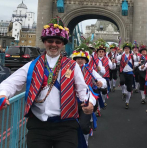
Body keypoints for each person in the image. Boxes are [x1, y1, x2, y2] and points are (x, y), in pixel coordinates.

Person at [0, 17, 95, 148]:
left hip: (66, 126)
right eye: (50, 41)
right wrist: (3, 94)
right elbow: (10, 83)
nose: (54, 44)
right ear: (45, 42)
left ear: (63, 44)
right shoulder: (31, 66)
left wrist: (89, 103)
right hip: (38, 126)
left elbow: (83, 90)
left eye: (58, 41)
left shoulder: (73, 66)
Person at [72, 48, 107, 147]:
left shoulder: (90, 70)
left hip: (86, 101)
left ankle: (85, 144)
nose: (79, 60)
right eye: (77, 58)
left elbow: (102, 80)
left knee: (83, 126)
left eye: (82, 58)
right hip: (71, 102)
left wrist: (101, 83)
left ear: (86, 60)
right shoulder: (69, 71)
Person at [89, 44, 114, 108]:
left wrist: (113, 63)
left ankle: (103, 101)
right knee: (97, 94)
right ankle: (98, 108)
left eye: (102, 52)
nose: (101, 53)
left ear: (104, 53)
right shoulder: (92, 59)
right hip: (94, 80)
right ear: (97, 53)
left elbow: (112, 68)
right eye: (99, 52)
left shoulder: (107, 59)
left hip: (104, 77)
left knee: (104, 92)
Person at [117, 42, 134, 109]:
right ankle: (123, 91)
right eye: (125, 48)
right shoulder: (121, 56)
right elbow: (116, 60)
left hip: (130, 73)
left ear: (129, 50)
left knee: (129, 89)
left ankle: (127, 102)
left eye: (128, 48)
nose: (126, 49)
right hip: (123, 72)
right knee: (122, 81)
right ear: (124, 49)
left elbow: (135, 63)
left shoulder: (132, 56)